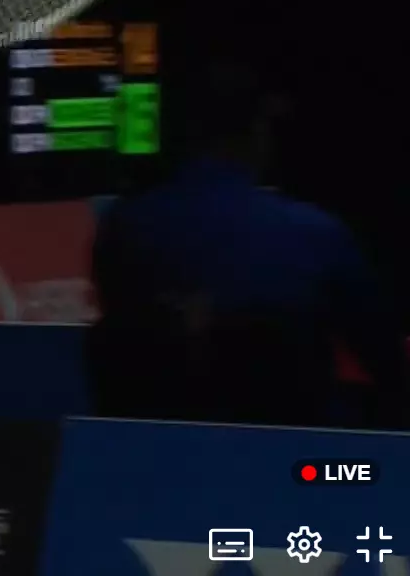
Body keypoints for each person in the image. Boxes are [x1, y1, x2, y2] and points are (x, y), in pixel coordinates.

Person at [88, 54, 407, 428]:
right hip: (300, 454)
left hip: (150, 452)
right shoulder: (315, 233)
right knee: (371, 440)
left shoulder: (124, 224)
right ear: (257, 132)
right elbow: (384, 360)